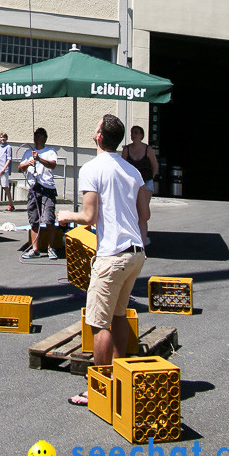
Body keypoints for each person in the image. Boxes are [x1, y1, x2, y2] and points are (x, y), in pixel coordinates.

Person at [58, 114, 150, 407]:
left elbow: (89, 216)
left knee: (99, 323)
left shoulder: (91, 168)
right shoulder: (133, 171)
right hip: (135, 253)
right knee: (119, 315)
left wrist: (65, 216)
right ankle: (119, 375)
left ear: (99, 136)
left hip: (111, 256)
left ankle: (98, 386)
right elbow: (144, 215)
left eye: (95, 125)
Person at [18, 128, 58, 259]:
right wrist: (27, 163)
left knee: (49, 219)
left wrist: (39, 159)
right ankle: (35, 249)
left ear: (45, 137)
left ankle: (51, 248)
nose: (37, 137)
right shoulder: (28, 152)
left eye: (39, 135)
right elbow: (19, 169)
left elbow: (52, 165)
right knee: (34, 220)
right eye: (35, 135)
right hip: (33, 189)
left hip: (47, 188)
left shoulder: (50, 151)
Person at [122, 125, 159, 244]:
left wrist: (150, 179)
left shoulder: (148, 149)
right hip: (131, 185)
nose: (134, 135)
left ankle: (142, 243)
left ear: (142, 135)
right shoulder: (126, 149)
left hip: (146, 182)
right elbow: (122, 167)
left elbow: (155, 166)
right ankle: (133, 238)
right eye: (132, 132)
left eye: (136, 133)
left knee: (142, 211)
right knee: (131, 211)